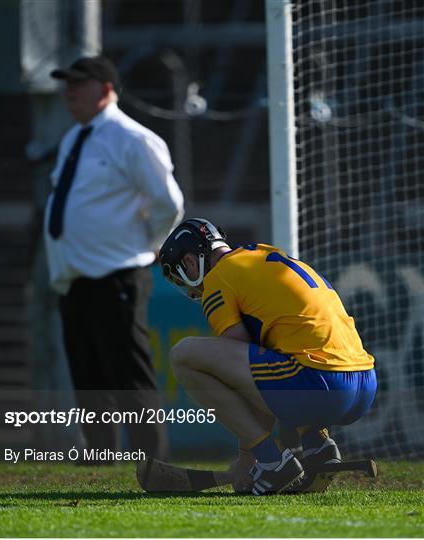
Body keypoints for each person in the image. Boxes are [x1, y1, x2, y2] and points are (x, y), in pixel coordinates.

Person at [158, 218, 377, 494]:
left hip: (321, 385)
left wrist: (251, 457)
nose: (190, 291)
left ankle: (273, 462)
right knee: (284, 353)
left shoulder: (218, 278)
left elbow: (243, 375)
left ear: (190, 261)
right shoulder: (263, 254)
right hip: (364, 385)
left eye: (180, 277)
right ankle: (317, 444)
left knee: (184, 355)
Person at [44, 56, 184, 460]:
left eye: (79, 82)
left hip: (118, 275)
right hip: (76, 280)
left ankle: (152, 463)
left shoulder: (133, 138)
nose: (69, 90)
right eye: (66, 82)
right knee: (89, 381)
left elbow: (169, 201)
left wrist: (153, 242)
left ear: (106, 89)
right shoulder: (76, 138)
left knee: (130, 376)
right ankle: (102, 463)